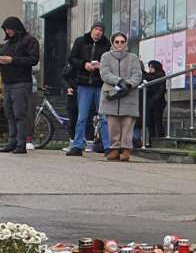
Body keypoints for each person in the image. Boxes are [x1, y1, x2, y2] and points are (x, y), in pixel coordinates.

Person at [0, 16, 39, 155]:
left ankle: (21, 143)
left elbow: (33, 59)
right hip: (7, 82)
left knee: (20, 113)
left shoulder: (30, 40)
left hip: (21, 82)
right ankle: (12, 142)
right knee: (9, 113)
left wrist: (12, 60)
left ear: (16, 28)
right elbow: (5, 59)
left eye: (10, 29)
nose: (8, 31)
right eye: (6, 29)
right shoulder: (7, 44)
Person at [97, 32, 144, 162]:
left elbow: (137, 74)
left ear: (125, 43)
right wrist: (119, 81)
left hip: (129, 93)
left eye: (122, 41)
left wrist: (129, 84)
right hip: (112, 93)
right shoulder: (106, 56)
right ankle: (114, 148)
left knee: (128, 124)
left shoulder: (133, 57)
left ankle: (126, 149)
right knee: (113, 124)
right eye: (117, 41)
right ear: (112, 42)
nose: (119, 44)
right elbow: (104, 73)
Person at [65, 23, 110, 155]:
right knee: (82, 117)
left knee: (103, 117)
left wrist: (101, 66)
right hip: (84, 83)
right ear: (91, 30)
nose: (98, 32)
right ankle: (78, 145)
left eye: (101, 30)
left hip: (100, 84)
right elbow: (71, 58)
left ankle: (107, 146)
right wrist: (84, 64)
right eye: (96, 29)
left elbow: (110, 63)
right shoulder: (81, 41)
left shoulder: (106, 44)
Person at [142, 59, 168, 142]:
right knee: (150, 122)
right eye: (149, 67)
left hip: (158, 102)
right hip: (150, 101)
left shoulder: (160, 75)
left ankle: (160, 137)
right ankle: (151, 139)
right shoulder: (150, 75)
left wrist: (155, 98)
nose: (150, 69)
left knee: (157, 120)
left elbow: (161, 89)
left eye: (151, 67)